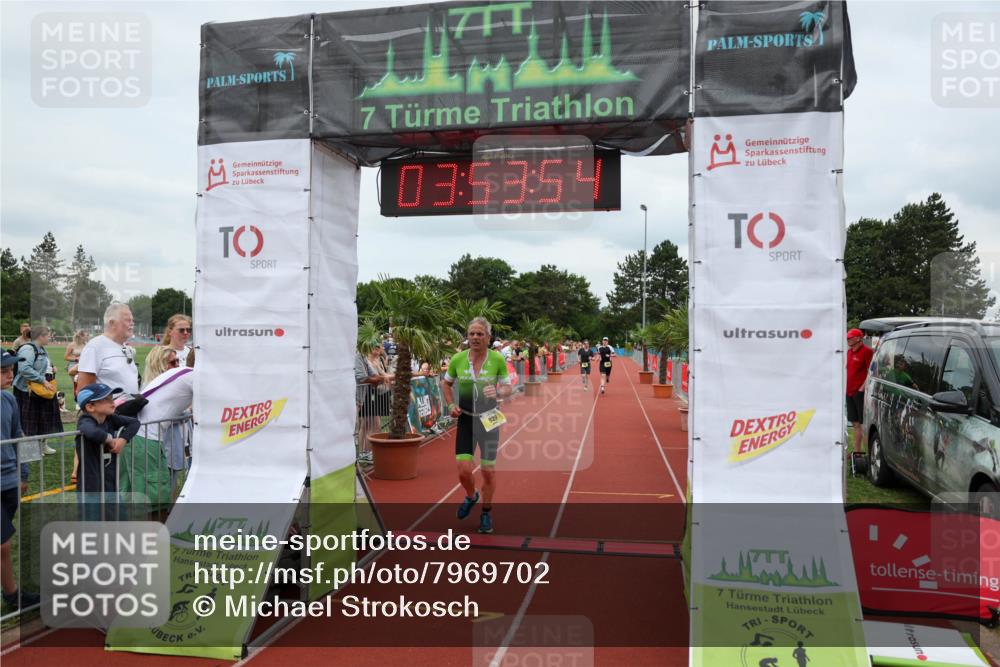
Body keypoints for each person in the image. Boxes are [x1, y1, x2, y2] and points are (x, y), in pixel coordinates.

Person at [442, 317, 512, 534]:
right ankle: (472, 496)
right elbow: (446, 383)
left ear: (488, 338)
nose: (475, 337)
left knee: (488, 471)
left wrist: (498, 391)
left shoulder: (498, 359)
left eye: (480, 334)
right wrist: (451, 404)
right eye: (471, 333)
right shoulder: (457, 359)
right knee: (463, 471)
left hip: (489, 418)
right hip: (466, 419)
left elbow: (508, 388)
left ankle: (486, 512)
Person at [127, 346, 194, 510]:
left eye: (178, 360)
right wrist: (188, 412)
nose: (177, 365)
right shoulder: (180, 377)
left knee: (152, 489)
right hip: (150, 440)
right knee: (155, 493)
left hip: (149, 438)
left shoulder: (170, 379)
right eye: (172, 362)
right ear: (159, 364)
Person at [1, 351, 37, 610]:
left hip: (8, 480)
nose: (9, 374)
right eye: (3, 370)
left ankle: (10, 593)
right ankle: (13, 594)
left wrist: (23, 473)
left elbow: (18, 434)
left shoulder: (9, 399)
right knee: (3, 543)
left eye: (10, 369)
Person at [75, 383, 141, 499]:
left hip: (110, 482)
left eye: (112, 398)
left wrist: (122, 440)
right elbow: (92, 432)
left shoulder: (110, 418)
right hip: (91, 486)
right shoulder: (85, 420)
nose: (112, 402)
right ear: (90, 407)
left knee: (117, 515)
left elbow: (135, 423)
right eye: (106, 399)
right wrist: (109, 440)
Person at [11, 326, 61, 453]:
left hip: (39, 390)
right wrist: (43, 380)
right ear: (41, 336)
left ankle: (42, 446)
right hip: (26, 391)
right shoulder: (28, 349)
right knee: (28, 421)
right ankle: (30, 449)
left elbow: (44, 364)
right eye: (48, 335)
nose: (50, 337)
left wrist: (52, 367)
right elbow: (24, 369)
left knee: (42, 418)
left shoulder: (41, 349)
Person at [76, 303, 140, 396]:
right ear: (112, 323)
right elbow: (84, 391)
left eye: (132, 320)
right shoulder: (95, 347)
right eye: (127, 320)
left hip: (130, 409)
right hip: (109, 410)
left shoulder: (124, 346)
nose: (132, 323)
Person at [355, 345, 393, 464]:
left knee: (371, 424)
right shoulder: (361, 357)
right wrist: (380, 380)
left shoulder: (371, 359)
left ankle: (366, 452)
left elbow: (377, 376)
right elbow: (363, 378)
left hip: (370, 394)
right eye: (376, 347)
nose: (379, 349)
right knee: (368, 425)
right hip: (367, 395)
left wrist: (380, 379)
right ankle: (364, 452)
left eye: (380, 347)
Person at [846, 328, 874, 472]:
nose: (848, 340)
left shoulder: (867, 351)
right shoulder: (849, 352)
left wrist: (862, 387)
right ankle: (857, 453)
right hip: (849, 391)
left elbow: (872, 371)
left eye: (850, 338)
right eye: (847, 338)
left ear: (858, 338)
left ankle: (870, 455)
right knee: (855, 424)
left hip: (860, 392)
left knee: (863, 424)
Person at [64, 330, 90, 398]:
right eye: (86, 335)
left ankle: (82, 402)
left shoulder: (86, 344)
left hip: (84, 366)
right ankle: (77, 403)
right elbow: (66, 357)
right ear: (81, 336)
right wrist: (76, 359)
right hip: (74, 367)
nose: (87, 337)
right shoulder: (72, 345)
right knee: (78, 384)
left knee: (84, 385)